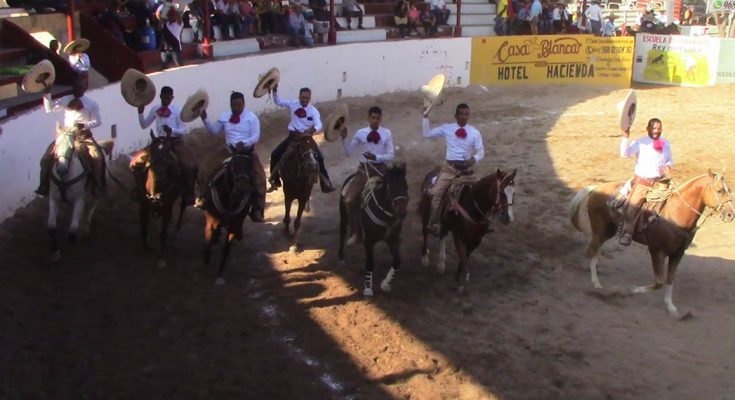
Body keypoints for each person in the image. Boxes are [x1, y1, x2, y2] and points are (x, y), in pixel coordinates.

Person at [198, 91, 266, 222]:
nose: (236, 108)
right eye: (234, 105)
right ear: (230, 105)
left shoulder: (252, 118)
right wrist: (205, 119)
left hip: (247, 153)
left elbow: (256, 136)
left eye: (239, 105)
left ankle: (258, 209)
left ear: (244, 104)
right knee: (207, 168)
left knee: (260, 176)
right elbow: (214, 130)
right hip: (228, 151)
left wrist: (244, 143)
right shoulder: (224, 117)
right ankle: (204, 198)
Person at [422, 103, 484, 234]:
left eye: (466, 114)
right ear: (456, 116)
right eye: (461, 114)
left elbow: (481, 151)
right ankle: (433, 223)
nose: (463, 117)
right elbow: (427, 134)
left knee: (481, 192)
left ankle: (482, 221)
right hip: (449, 170)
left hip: (466, 172)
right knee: (436, 193)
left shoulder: (474, 132)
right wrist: (425, 117)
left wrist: (473, 159)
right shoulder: (447, 128)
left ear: (469, 116)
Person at [130, 86, 198, 206]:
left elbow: (183, 129)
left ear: (172, 98)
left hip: (175, 142)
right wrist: (140, 112)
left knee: (189, 165)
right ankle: (139, 190)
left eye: (169, 98)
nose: (166, 100)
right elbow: (144, 125)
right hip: (158, 142)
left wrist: (171, 130)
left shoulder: (177, 110)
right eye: (164, 98)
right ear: (160, 97)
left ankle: (189, 194)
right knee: (136, 162)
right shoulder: (155, 109)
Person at [36, 78, 104, 197]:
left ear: (84, 89)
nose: (78, 90)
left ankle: (98, 185)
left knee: (97, 157)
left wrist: (84, 125)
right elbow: (49, 109)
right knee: (46, 157)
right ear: (73, 88)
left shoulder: (92, 104)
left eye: (80, 87)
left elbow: (98, 122)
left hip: (83, 135)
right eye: (76, 87)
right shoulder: (65, 99)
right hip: (66, 134)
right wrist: (47, 94)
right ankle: (44, 185)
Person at [340, 106, 395, 245]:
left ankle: (392, 227)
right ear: (369, 118)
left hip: (381, 170)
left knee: (397, 196)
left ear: (381, 119)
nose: (375, 121)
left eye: (378, 118)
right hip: (364, 171)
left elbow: (391, 155)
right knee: (349, 200)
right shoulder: (360, 133)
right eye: (373, 118)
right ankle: (355, 231)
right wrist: (344, 139)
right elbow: (349, 152)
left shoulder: (387, 133)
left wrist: (375, 156)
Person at [267, 85, 335, 193]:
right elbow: (278, 101)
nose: (304, 100)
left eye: (307, 98)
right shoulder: (293, 104)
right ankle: (275, 180)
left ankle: (326, 183)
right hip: (293, 137)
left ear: (310, 98)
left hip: (306, 139)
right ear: (299, 97)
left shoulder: (313, 111)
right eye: (303, 97)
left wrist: (313, 129)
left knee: (320, 157)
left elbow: (319, 124)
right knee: (275, 154)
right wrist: (275, 91)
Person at [618, 118, 673, 246]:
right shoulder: (640, 143)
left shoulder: (665, 143)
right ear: (647, 129)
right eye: (654, 128)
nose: (656, 131)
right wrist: (625, 137)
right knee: (632, 207)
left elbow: (670, 159)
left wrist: (669, 165)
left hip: (660, 183)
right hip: (643, 183)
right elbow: (624, 154)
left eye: (659, 128)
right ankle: (627, 232)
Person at [157, 0, 184, 69]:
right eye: (170, 16)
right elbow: (159, 27)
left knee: (180, 67)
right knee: (164, 67)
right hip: (165, 48)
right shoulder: (165, 24)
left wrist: (172, 7)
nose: (171, 17)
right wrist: (163, 15)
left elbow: (178, 17)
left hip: (175, 48)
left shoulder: (178, 24)